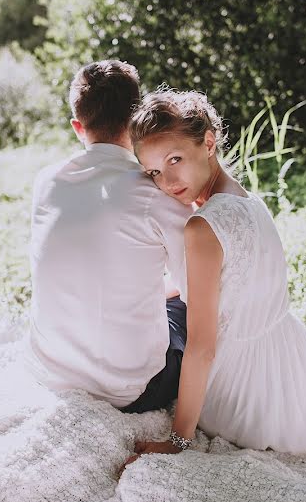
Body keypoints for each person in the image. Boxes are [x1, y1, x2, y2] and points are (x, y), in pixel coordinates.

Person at [123, 88, 306, 462]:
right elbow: (220, 284)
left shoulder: (201, 227)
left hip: (250, 397)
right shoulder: (246, 200)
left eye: (175, 158)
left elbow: (202, 346)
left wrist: (178, 439)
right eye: (155, 171)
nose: (166, 181)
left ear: (208, 143)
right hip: (296, 369)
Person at [25, 61, 194, 414]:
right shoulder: (154, 191)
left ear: (77, 126)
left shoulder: (46, 182)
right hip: (130, 389)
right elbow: (197, 284)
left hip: (51, 374)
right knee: (192, 305)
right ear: (136, 121)